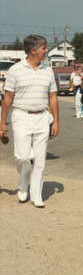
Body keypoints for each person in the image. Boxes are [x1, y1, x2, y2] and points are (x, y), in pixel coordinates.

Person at [0, 35, 59, 208]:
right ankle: (23, 181)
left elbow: (53, 97)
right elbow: (8, 99)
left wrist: (56, 121)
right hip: (21, 116)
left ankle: (36, 194)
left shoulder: (48, 70)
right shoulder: (15, 70)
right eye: (44, 48)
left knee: (40, 159)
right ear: (33, 50)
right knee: (22, 156)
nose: (46, 50)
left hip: (42, 117)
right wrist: (2, 123)